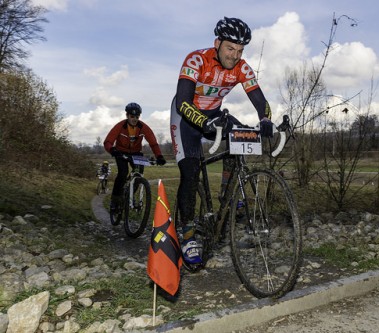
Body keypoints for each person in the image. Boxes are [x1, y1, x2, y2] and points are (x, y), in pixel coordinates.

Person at [170, 17, 274, 264]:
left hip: (215, 113)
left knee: (242, 135)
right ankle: (187, 232)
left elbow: (260, 100)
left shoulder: (242, 68)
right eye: (230, 48)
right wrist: (203, 122)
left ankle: (227, 194)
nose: (235, 56)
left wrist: (266, 119)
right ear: (217, 43)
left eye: (239, 51)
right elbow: (184, 102)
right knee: (190, 170)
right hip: (186, 115)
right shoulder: (196, 60)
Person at [104, 102, 167, 211]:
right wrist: (112, 150)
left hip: (136, 153)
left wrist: (159, 156)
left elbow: (153, 143)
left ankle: (129, 194)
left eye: (137, 117)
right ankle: (115, 200)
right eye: (132, 116)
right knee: (122, 173)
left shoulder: (143, 127)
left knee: (139, 174)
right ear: (127, 116)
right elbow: (108, 141)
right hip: (121, 152)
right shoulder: (120, 126)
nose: (134, 119)